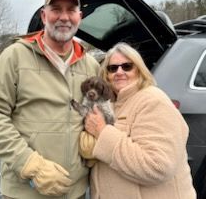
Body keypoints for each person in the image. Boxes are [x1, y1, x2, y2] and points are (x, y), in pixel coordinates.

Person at [0, 0, 99, 199]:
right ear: (44, 16)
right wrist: (30, 165)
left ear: (79, 16)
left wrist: (94, 140)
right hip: (25, 192)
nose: (64, 17)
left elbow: (98, 112)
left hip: (76, 191)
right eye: (56, 9)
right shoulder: (15, 56)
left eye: (71, 10)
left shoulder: (91, 65)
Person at [79, 42, 197, 199]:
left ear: (139, 70)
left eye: (127, 66)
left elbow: (158, 166)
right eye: (112, 68)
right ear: (106, 74)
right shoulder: (113, 104)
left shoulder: (153, 101)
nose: (119, 72)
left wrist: (102, 132)